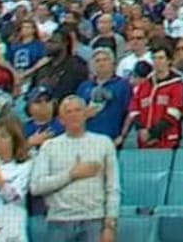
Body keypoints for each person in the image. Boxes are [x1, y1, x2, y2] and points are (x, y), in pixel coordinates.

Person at [29, 95, 121, 242]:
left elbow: (113, 187)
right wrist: (72, 174)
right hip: (58, 222)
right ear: (61, 119)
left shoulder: (104, 143)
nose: (74, 115)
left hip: (94, 220)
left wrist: (110, 225)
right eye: (68, 112)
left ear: (85, 114)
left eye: (77, 110)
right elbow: (36, 186)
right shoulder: (49, 147)